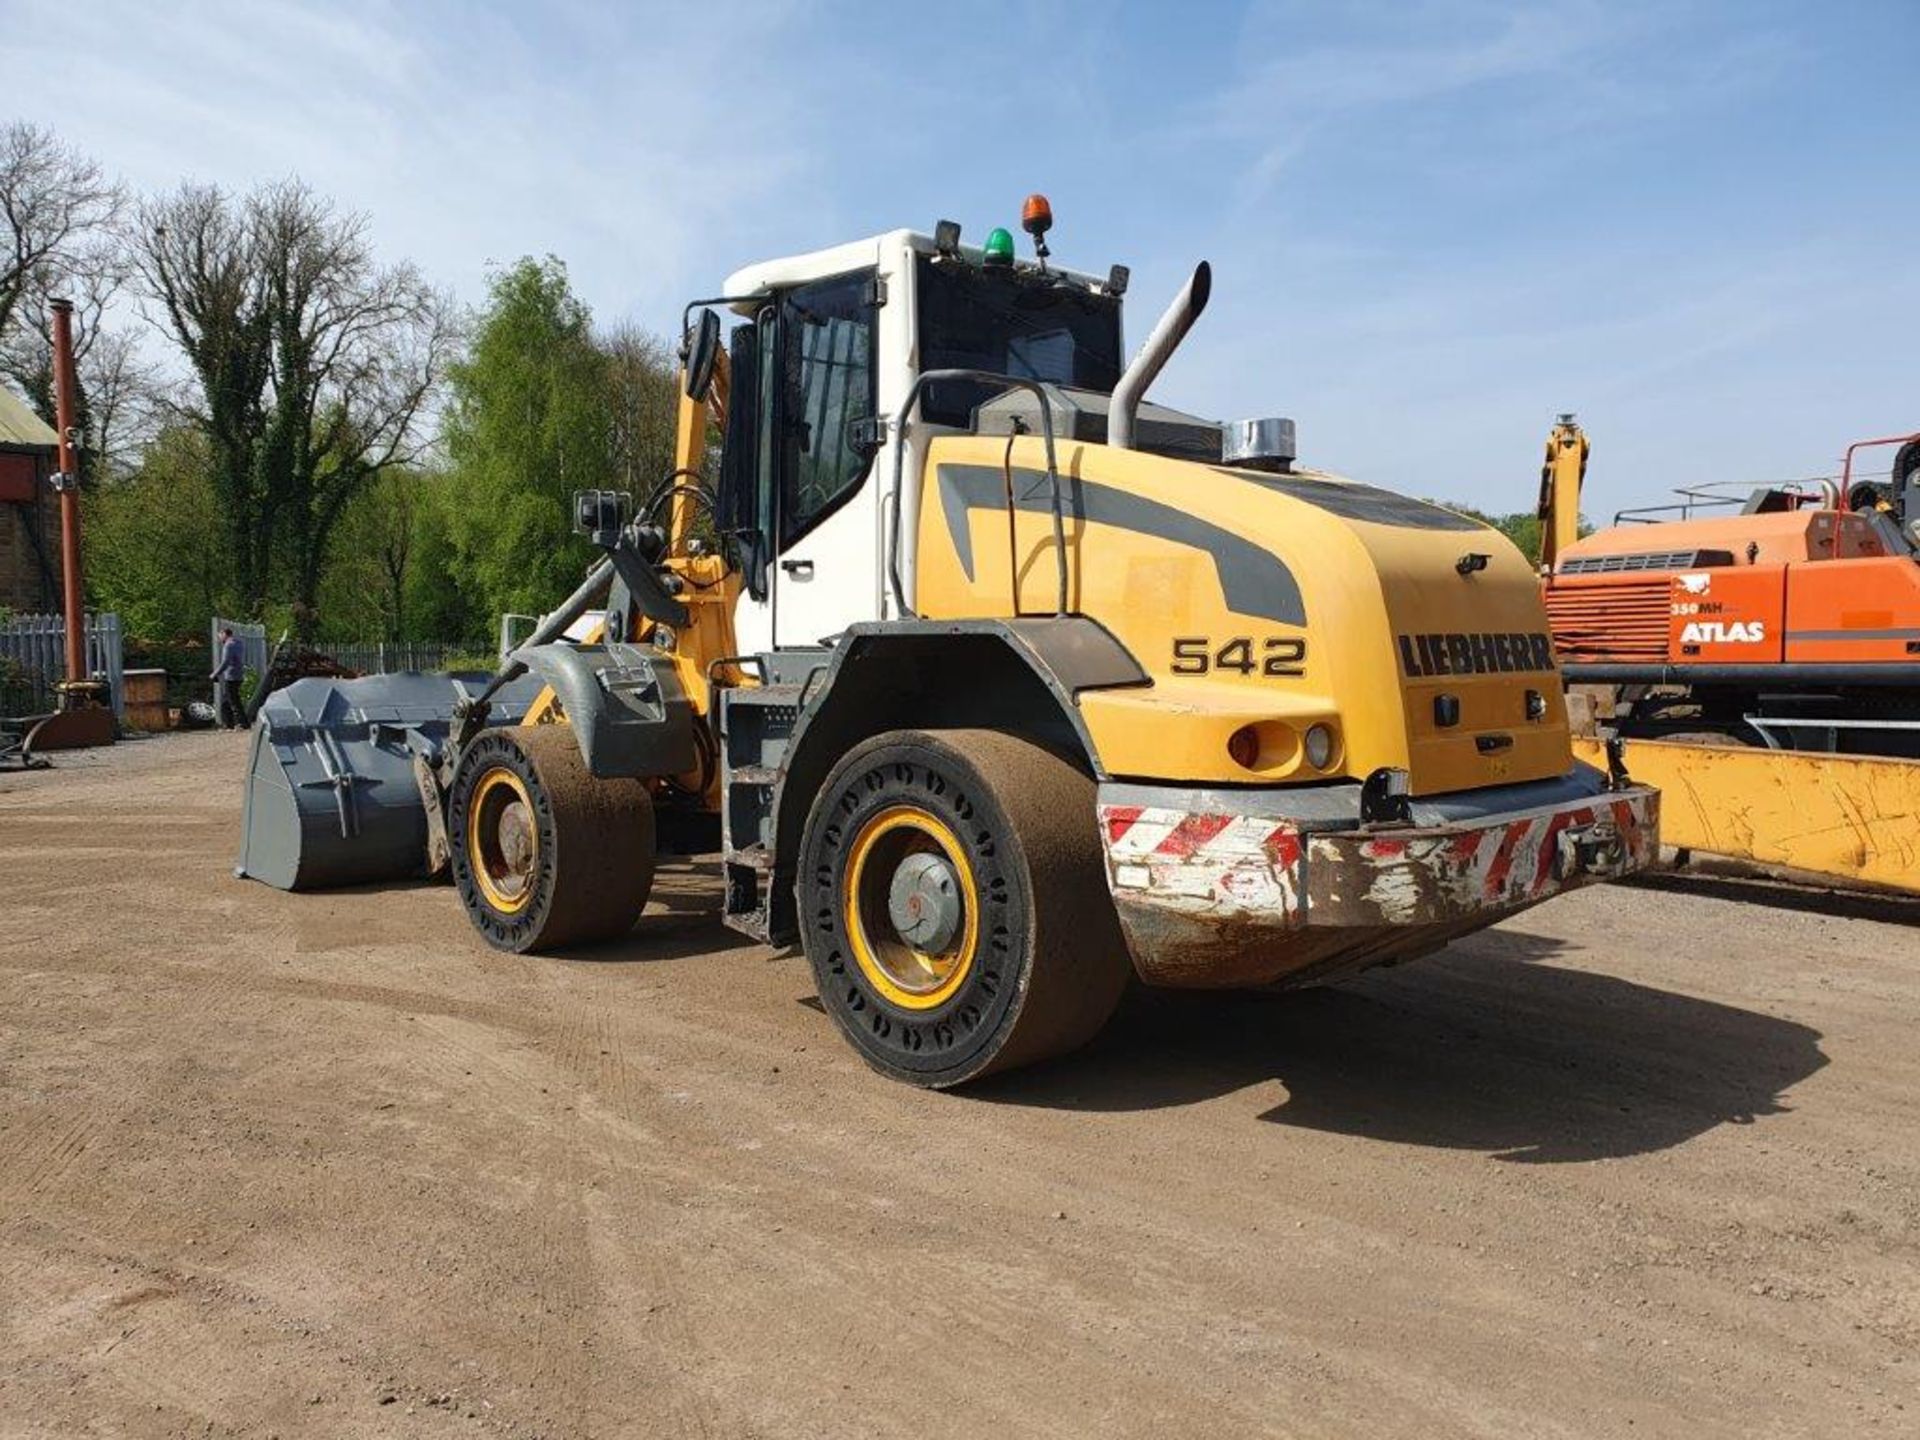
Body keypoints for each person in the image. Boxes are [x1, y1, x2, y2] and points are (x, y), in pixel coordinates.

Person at [211, 627, 246, 730]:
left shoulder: (228, 645)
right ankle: (229, 724)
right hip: (239, 674)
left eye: (220, 636)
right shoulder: (239, 643)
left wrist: (215, 674)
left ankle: (241, 723)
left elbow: (225, 662)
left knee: (233, 700)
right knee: (226, 701)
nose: (219, 638)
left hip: (231, 676)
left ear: (224, 634)